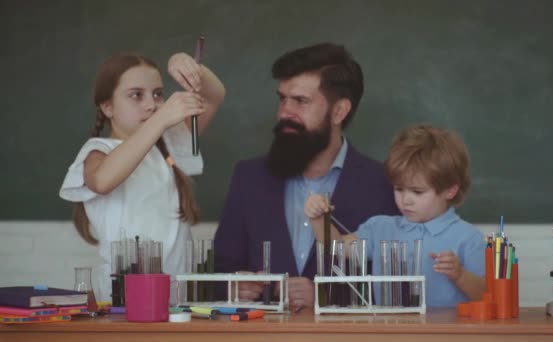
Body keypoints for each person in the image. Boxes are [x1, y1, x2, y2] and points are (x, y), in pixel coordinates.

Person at [214, 43, 399, 309]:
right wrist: (234, 285)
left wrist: (328, 297)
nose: (284, 113)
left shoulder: (384, 184)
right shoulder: (249, 177)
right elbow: (220, 270)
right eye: (282, 99)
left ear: (339, 111)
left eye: (300, 101)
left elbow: (397, 286)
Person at [59, 52, 225, 301]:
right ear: (107, 107)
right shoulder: (98, 151)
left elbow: (214, 95)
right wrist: (161, 119)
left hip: (178, 300)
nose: (151, 104)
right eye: (136, 95)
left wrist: (190, 67)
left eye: (158, 94)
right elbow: (103, 181)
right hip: (123, 301)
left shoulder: (170, 144)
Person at [304, 125, 486, 307]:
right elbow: (338, 248)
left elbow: (486, 294)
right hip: (390, 332)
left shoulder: (468, 238)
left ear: (450, 190)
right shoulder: (380, 228)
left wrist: (460, 275)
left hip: (445, 335)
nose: (405, 200)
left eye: (417, 192)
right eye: (399, 189)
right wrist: (319, 219)